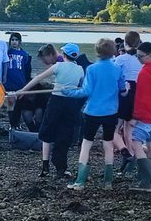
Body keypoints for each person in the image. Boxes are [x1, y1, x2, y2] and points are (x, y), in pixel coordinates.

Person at [11, 43, 84, 178]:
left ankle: (45, 166)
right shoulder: (80, 69)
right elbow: (81, 86)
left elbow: (38, 78)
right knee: (64, 134)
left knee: (47, 133)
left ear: (64, 54)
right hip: (70, 104)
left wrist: (23, 90)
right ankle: (61, 168)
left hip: (56, 102)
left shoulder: (58, 66)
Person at [61, 38, 125, 190]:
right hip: (111, 112)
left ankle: (80, 181)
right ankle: (108, 182)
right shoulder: (117, 69)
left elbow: (86, 91)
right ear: (113, 52)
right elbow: (122, 90)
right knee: (108, 145)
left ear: (97, 52)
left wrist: (68, 92)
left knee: (86, 144)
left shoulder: (91, 69)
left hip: (92, 112)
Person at [128, 41, 151, 193]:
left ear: (150, 56)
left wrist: (134, 117)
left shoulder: (144, 73)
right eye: (137, 56)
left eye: (140, 56)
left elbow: (141, 98)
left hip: (145, 116)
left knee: (136, 144)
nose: (138, 59)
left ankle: (146, 181)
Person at [113, 30, 143, 170]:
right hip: (138, 94)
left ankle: (125, 153)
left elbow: (114, 77)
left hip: (124, 93)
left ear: (125, 43)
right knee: (129, 128)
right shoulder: (142, 59)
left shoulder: (120, 59)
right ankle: (130, 157)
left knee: (115, 128)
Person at [2, 33, 34, 129]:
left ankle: (18, 123)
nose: (14, 42)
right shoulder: (6, 53)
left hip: (20, 83)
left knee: (19, 105)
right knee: (10, 103)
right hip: (9, 82)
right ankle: (12, 125)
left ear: (20, 42)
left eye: (16, 40)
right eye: (12, 40)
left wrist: (27, 84)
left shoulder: (25, 55)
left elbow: (27, 71)